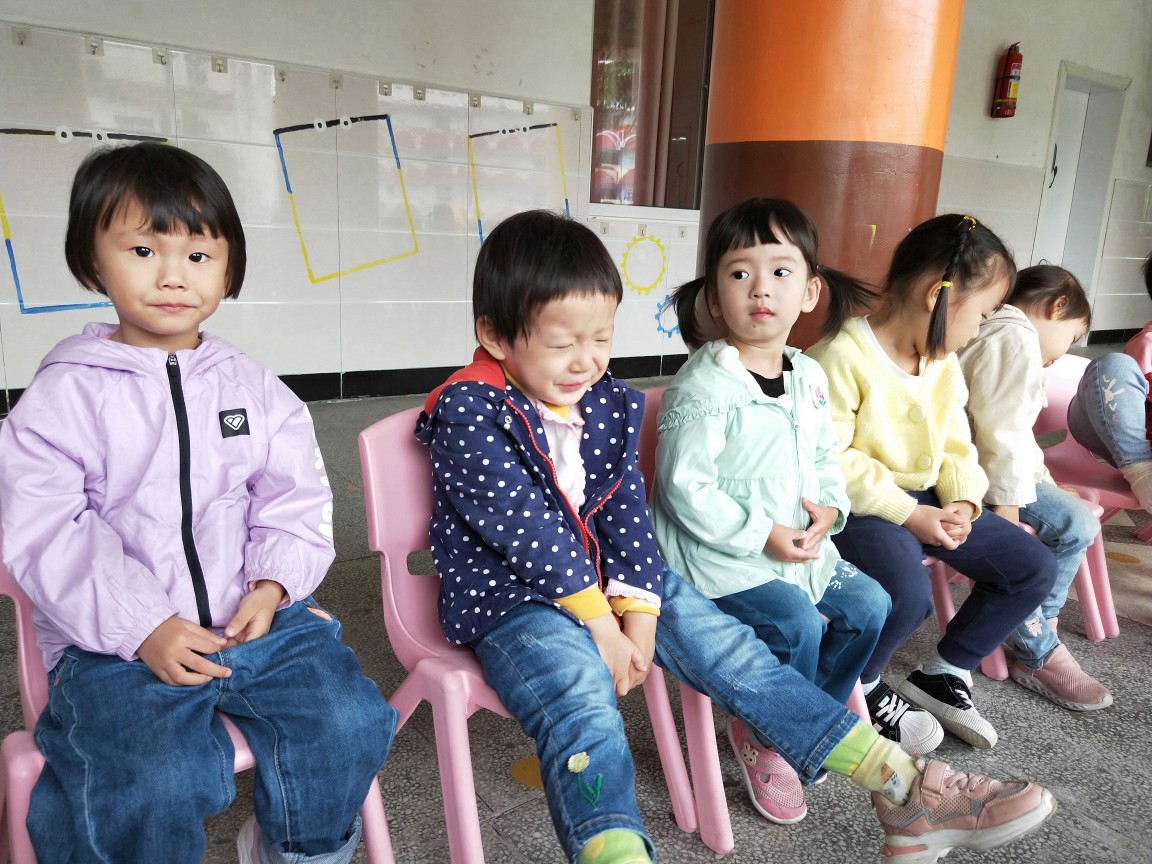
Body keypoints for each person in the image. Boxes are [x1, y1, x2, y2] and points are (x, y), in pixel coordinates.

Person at [413, 208, 1055, 864]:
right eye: (562, 343)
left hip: (611, 585)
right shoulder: (469, 409)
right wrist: (604, 626)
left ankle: (905, 788)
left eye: (601, 338)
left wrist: (641, 613)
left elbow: (626, 515)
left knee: (740, 656)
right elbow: (530, 534)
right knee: (580, 698)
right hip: (516, 603)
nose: (586, 362)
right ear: (494, 334)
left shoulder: (600, 400)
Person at [0, 142, 397, 864]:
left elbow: (296, 497)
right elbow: (48, 529)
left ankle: (298, 851)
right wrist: (142, 625)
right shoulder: (63, 396)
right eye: (143, 250)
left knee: (351, 721)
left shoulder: (254, 388)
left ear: (229, 269)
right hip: (115, 644)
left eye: (198, 255)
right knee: (155, 778)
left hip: (256, 621)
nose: (172, 276)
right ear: (91, 263)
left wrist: (273, 585)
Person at [650, 198, 896, 824]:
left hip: (796, 547)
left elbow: (824, 458)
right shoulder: (703, 387)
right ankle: (770, 739)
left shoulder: (809, 376)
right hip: (716, 557)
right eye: (739, 273)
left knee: (870, 605)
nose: (761, 288)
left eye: (781, 271)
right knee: (797, 625)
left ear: (810, 291)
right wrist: (762, 533)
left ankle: (796, 716)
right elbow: (684, 489)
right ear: (713, 297)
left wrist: (829, 510)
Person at [807, 215, 1058, 751]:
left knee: (1031, 566)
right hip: (859, 508)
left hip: (930, 502)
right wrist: (910, 513)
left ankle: (945, 671)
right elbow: (829, 460)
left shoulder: (941, 363)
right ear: (935, 295)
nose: (979, 329)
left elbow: (954, 441)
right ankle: (859, 684)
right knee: (906, 593)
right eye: (983, 313)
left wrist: (963, 499)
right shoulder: (840, 356)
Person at [957, 264, 1111, 711]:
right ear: (1058, 306)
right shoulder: (1014, 337)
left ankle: (1040, 630)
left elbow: (1014, 433)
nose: (1063, 353)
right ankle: (1037, 648)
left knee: (1074, 518)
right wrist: (1007, 506)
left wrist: (1044, 481)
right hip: (982, 478)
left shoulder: (996, 330)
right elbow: (1000, 435)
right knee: (1074, 525)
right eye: (1073, 336)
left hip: (979, 469)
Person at [1066, 250, 1152, 512]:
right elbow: (1125, 401)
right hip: (1122, 435)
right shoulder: (1148, 344)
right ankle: (1143, 473)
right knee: (1114, 365)